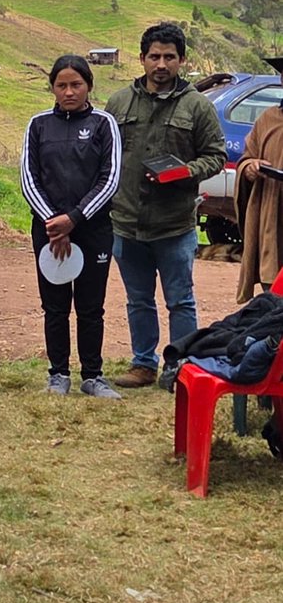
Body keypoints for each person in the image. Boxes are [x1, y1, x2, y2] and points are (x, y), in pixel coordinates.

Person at [105, 22, 226, 388]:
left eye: (169, 57)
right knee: (138, 300)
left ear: (181, 60)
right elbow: (104, 155)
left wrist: (186, 172)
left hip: (174, 224)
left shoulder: (198, 106)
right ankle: (143, 364)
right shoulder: (119, 102)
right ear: (142, 59)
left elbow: (216, 156)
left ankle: (180, 367)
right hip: (126, 221)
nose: (161, 64)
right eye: (154, 56)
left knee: (180, 300)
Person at [20, 54, 122, 398]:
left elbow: (109, 180)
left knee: (91, 306)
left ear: (89, 86)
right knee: (55, 305)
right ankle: (58, 374)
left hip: (93, 230)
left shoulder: (104, 124)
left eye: (76, 84)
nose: (68, 92)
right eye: (61, 85)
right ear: (52, 87)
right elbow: (29, 179)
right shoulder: (37, 125)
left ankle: (92, 375)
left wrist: (74, 219)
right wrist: (54, 224)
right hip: (49, 232)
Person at [234, 93, 283, 303]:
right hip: (273, 215)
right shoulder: (268, 118)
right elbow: (247, 158)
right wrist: (250, 168)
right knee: (272, 295)